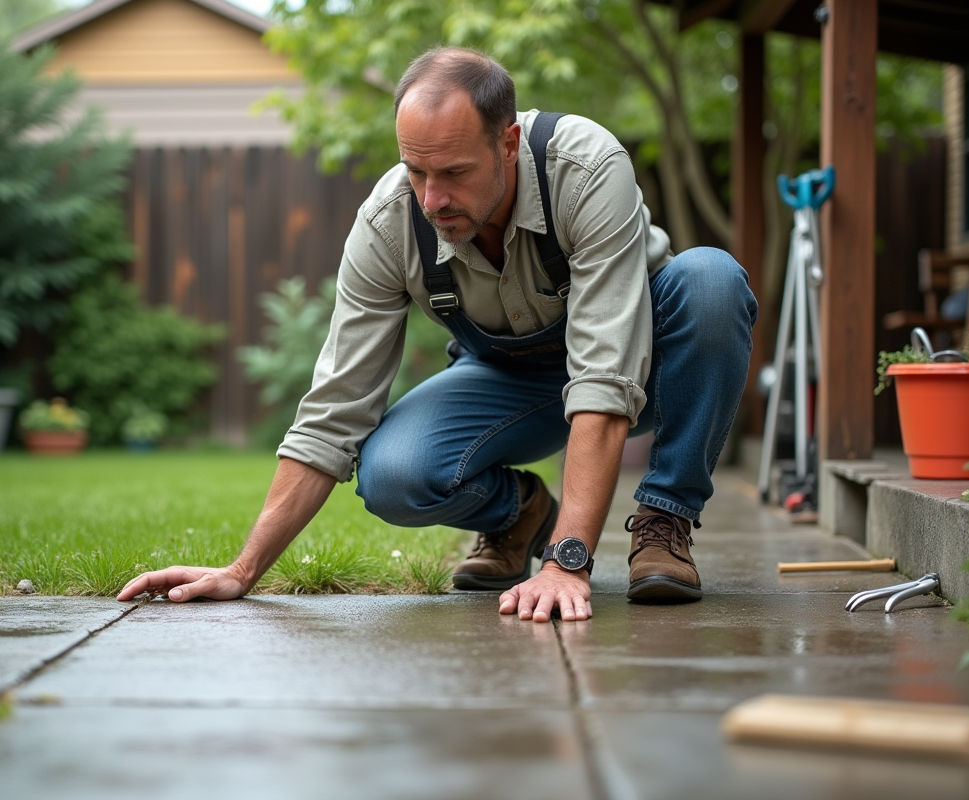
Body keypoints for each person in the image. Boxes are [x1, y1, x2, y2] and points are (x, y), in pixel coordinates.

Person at [118, 46, 758, 623]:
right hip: (516, 378)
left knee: (711, 280)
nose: (431, 198)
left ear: (507, 144)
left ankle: (664, 520)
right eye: (415, 171)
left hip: (645, 358)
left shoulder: (585, 168)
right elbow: (334, 411)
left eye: (453, 172)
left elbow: (604, 377)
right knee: (394, 473)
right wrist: (241, 571)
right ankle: (516, 515)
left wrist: (568, 561)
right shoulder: (389, 223)